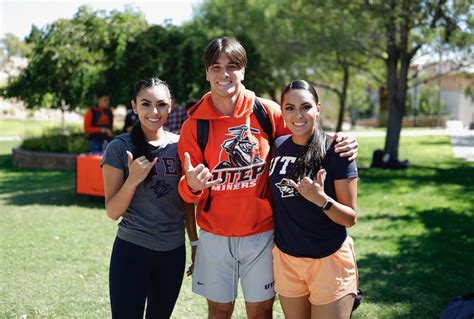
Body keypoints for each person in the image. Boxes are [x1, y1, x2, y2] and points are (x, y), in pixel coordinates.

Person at [177, 37, 358, 319]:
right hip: (214, 233)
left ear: (244, 70)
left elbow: (304, 138)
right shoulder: (194, 125)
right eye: (216, 67)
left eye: (232, 66)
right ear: (206, 72)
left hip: (263, 233)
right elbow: (187, 193)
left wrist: (341, 141)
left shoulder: (267, 111)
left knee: (262, 311)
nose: (224, 74)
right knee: (218, 311)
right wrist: (191, 185)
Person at [100, 78, 198, 318]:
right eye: (146, 104)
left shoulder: (181, 145)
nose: (154, 112)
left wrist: (194, 244)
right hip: (131, 252)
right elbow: (113, 212)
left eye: (161, 104)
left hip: (172, 254)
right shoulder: (119, 148)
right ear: (134, 106)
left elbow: (185, 200)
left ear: (171, 106)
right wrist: (133, 179)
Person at [269, 80, 358, 319]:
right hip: (288, 259)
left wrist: (322, 200)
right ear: (282, 110)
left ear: (318, 108)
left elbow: (350, 218)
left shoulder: (337, 151)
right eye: (290, 108)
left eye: (305, 107)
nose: (298, 115)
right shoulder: (277, 146)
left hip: (328, 261)